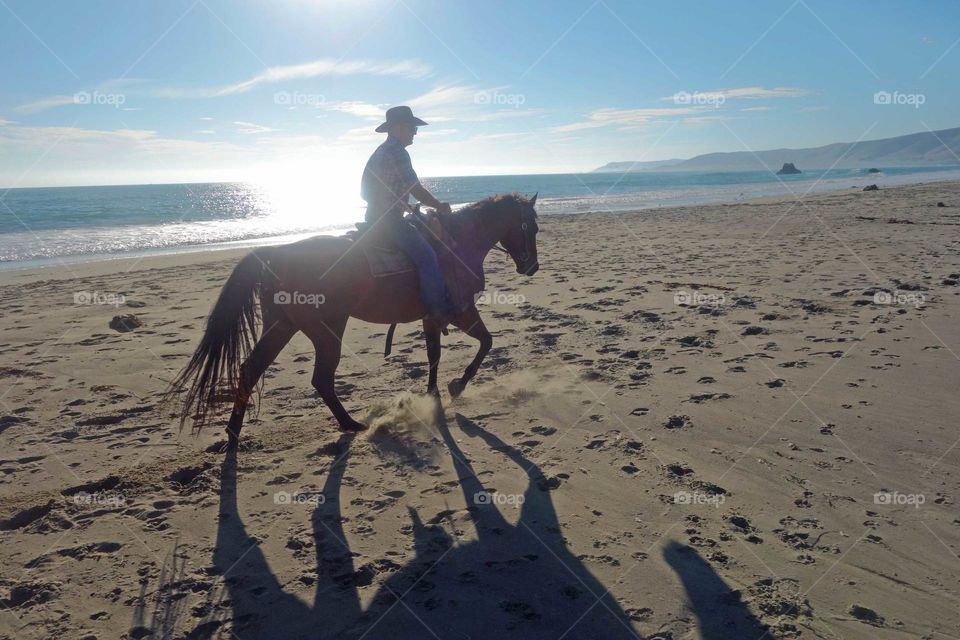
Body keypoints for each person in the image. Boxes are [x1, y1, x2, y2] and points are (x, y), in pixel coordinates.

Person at [361, 105, 454, 324]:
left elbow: (365, 190)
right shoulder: (397, 152)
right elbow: (416, 189)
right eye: (412, 127)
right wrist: (439, 206)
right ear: (399, 127)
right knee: (427, 256)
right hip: (389, 221)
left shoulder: (380, 151)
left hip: (375, 217)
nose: (415, 132)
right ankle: (437, 312)